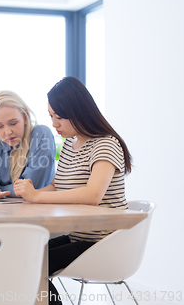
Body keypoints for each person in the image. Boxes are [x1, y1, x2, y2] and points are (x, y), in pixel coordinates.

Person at [13, 77, 132, 304]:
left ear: (78, 112)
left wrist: (37, 197)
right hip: (81, 237)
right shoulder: (70, 143)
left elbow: (92, 195)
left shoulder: (106, 143)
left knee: (32, 263)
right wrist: (25, 195)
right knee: (21, 256)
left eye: (59, 117)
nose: (54, 123)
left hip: (105, 243)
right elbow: (57, 185)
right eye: (50, 116)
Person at [0, 90, 56, 201]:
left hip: (37, 209)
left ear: (25, 117)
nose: (7, 132)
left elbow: (33, 186)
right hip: (3, 210)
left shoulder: (41, 134)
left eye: (13, 123)